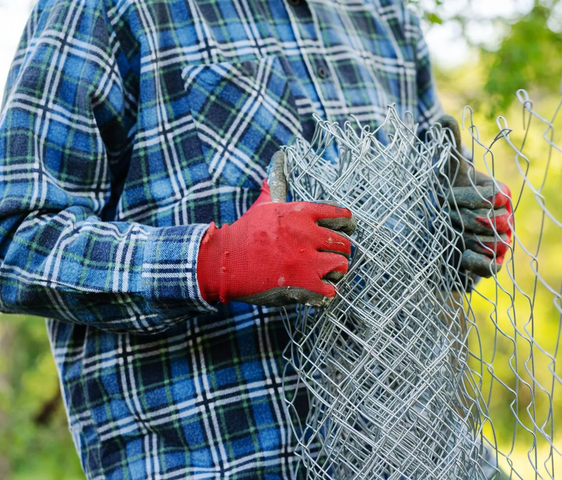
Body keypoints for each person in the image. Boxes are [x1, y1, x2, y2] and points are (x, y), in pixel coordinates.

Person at [0, 0, 512, 478]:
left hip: (425, 456)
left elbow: (433, 201)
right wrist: (213, 262)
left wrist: (451, 233)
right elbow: (15, 237)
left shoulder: (385, 14)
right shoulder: (108, 9)